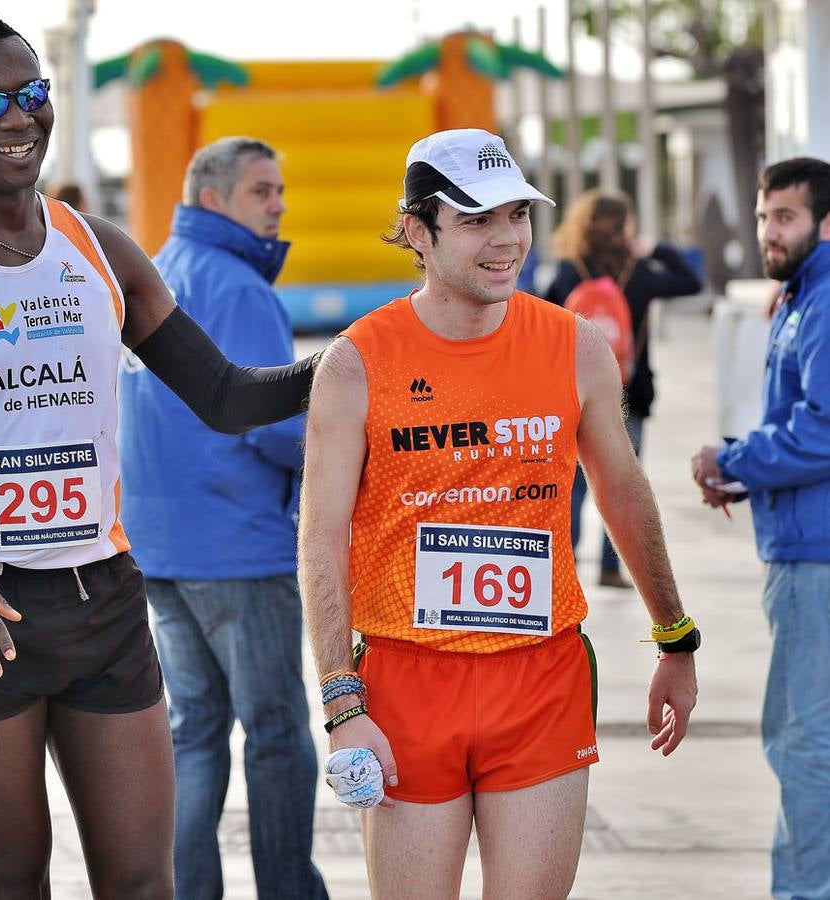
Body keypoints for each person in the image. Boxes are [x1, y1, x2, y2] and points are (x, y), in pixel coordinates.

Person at [0, 9, 317, 899]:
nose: (19, 117)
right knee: (12, 880)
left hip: (106, 601)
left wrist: (358, 357)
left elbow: (227, 395)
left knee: (141, 883)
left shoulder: (102, 252)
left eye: (33, 93)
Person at [299, 129, 699, 899]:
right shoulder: (355, 363)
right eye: (478, 219)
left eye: (517, 214)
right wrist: (342, 699)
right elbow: (319, 536)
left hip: (540, 674)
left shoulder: (574, 345)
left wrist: (675, 637)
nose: (507, 239)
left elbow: (621, 490)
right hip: (408, 680)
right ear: (418, 230)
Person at [118, 137, 327, 900]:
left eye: (279, 190)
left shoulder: (156, 270)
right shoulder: (236, 285)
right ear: (214, 200)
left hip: (162, 549)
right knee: (275, 736)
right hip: (238, 549)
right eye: (262, 192)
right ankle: (288, 891)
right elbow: (270, 423)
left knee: (195, 736)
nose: (279, 204)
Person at [691, 156, 830, 900]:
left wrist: (734, 457)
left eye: (787, 217)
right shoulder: (803, 296)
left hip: (817, 561)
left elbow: (823, 431)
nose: (769, 233)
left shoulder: (825, 301)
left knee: (803, 740)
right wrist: (744, 476)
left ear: (825, 223)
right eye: (763, 217)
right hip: (804, 544)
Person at [545, 190, 702, 588]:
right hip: (628, 392)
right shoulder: (641, 272)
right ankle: (613, 568)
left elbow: (539, 318)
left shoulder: (568, 271)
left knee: (574, 482)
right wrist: (658, 248)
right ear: (624, 227)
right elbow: (691, 282)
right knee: (622, 481)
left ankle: (564, 565)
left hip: (572, 391)